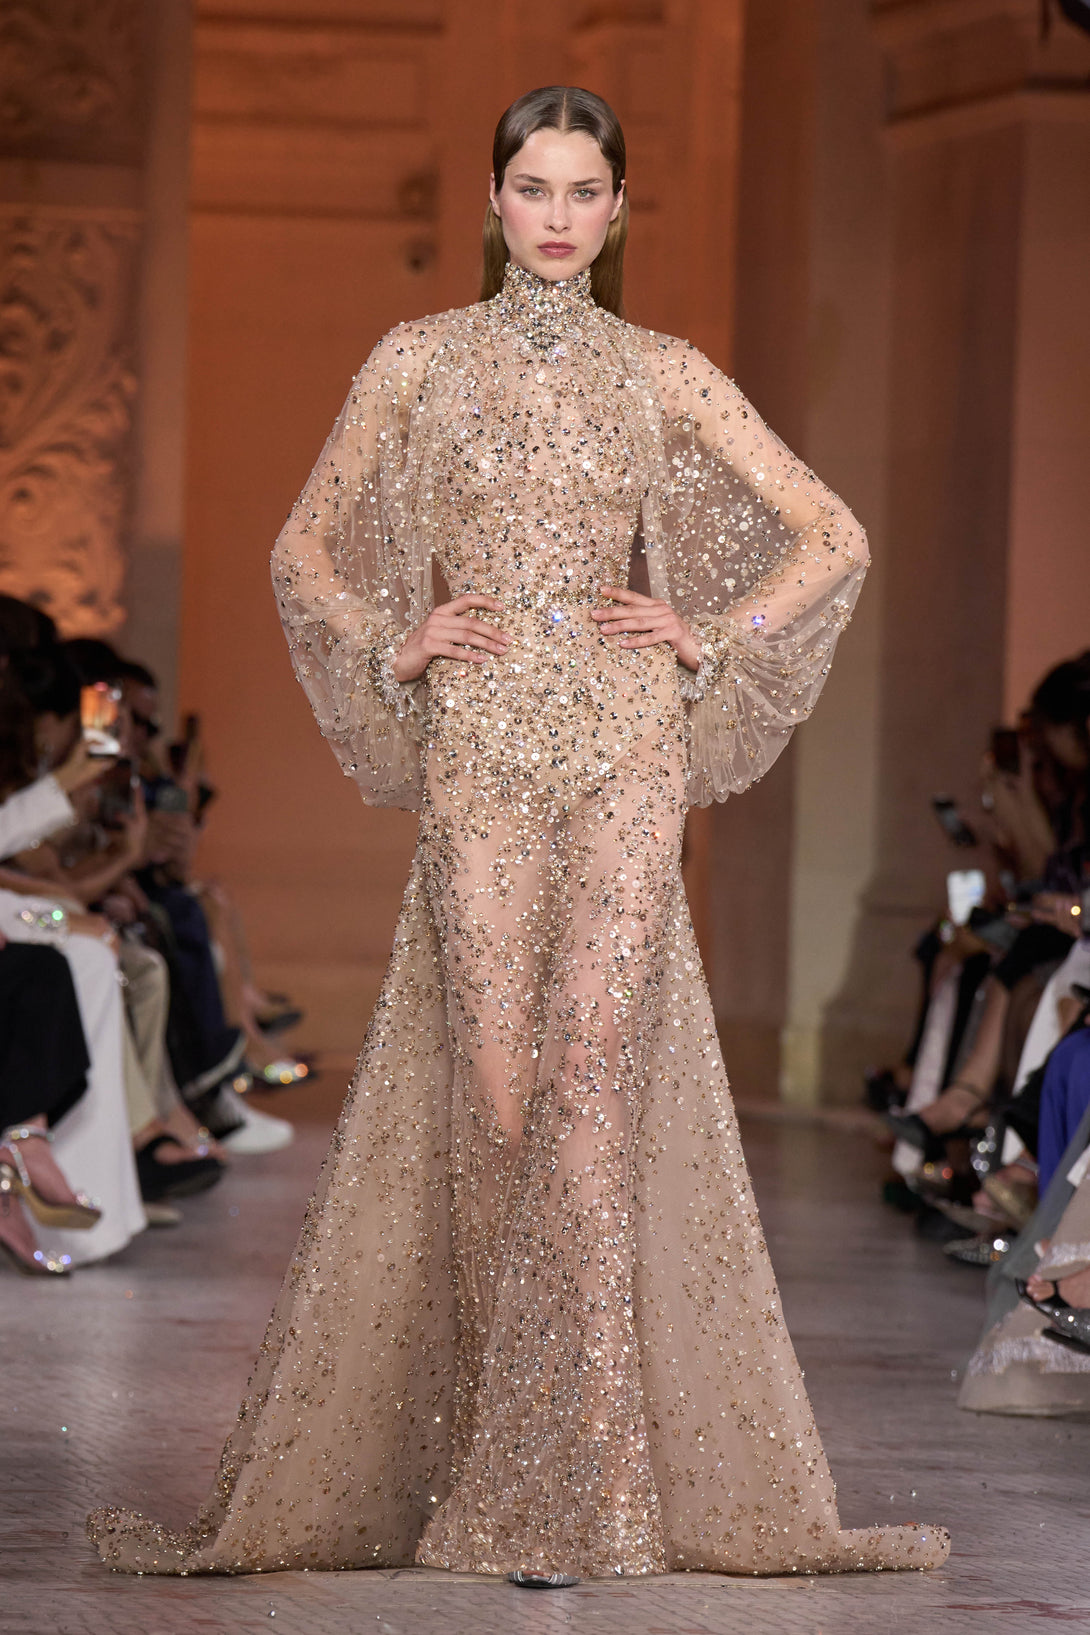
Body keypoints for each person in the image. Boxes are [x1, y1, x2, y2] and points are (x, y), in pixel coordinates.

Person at [88, 86, 948, 1581]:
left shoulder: (660, 371)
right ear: (493, 200)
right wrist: (396, 640)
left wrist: (708, 633)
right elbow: (304, 546)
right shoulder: (415, 361)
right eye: (533, 187)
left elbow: (833, 534)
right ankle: (502, 1444)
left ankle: (580, 1491)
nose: (557, 215)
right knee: (497, 1097)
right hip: (481, 743)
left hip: (625, 741)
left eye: (583, 190)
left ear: (618, 209)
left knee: (591, 1085)